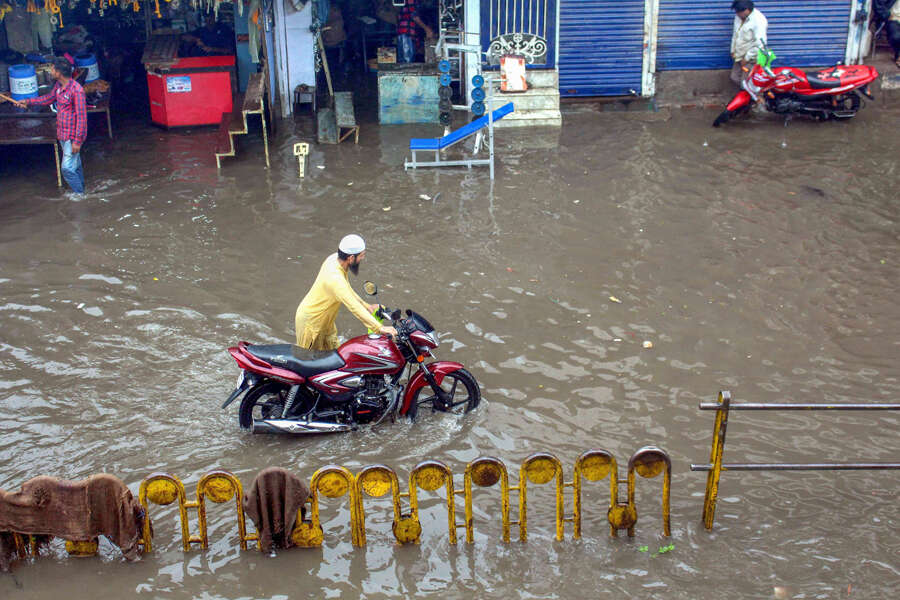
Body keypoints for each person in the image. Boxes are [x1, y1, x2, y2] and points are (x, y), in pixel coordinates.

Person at [294, 234, 398, 350]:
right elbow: (353, 307)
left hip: (327, 323)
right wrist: (380, 328)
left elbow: (347, 289)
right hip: (312, 324)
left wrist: (367, 306)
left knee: (337, 359)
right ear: (351, 258)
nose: (362, 258)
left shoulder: (335, 259)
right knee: (311, 363)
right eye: (361, 256)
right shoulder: (335, 279)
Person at [13, 57, 87, 194]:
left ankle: (81, 195)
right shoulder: (58, 87)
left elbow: (82, 118)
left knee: (67, 169)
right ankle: (82, 191)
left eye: (52, 68)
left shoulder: (77, 91)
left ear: (59, 72)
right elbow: (47, 99)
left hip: (72, 136)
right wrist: (28, 101)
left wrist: (77, 141)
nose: (50, 71)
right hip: (63, 134)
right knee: (75, 166)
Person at [730, 0, 768, 87]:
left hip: (752, 57)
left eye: (738, 12)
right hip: (739, 55)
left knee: (746, 82)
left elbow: (760, 43)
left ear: (747, 10)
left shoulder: (759, 20)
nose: (737, 14)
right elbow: (735, 34)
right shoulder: (739, 17)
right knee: (734, 77)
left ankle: (758, 99)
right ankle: (748, 94)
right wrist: (733, 50)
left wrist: (747, 58)